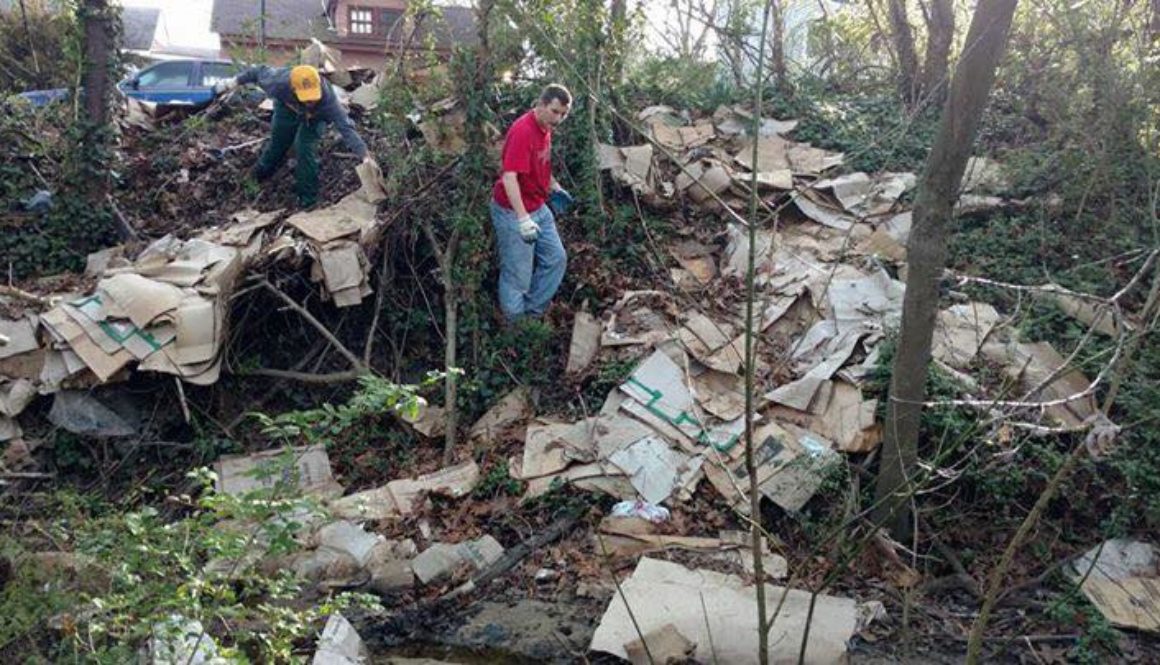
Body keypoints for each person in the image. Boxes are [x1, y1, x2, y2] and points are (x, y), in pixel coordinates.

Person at [213, 64, 375, 208]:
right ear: (293, 88)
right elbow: (256, 72)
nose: (310, 101)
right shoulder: (278, 82)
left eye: (313, 97)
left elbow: (346, 128)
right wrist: (232, 82)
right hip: (286, 108)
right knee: (277, 145)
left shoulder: (327, 100)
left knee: (304, 147)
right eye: (307, 98)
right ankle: (256, 177)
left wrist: (364, 155)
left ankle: (307, 200)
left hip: (316, 116)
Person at [490, 84, 575, 322]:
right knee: (518, 277)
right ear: (541, 104)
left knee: (556, 259)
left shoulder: (545, 128)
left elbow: (540, 165)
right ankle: (515, 328)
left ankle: (532, 314)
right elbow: (509, 177)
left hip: (538, 206)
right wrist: (522, 218)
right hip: (512, 211)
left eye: (563, 114)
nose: (559, 119)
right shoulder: (523, 131)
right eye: (555, 111)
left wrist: (554, 187)